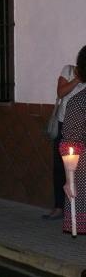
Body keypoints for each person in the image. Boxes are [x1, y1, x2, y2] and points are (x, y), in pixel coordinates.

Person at [43, 62, 85, 220]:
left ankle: (77, 210)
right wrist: (76, 80)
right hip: (63, 125)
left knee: (80, 170)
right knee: (60, 167)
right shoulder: (69, 70)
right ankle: (59, 207)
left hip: (81, 127)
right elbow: (60, 93)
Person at [60, 45, 86, 235]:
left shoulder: (78, 101)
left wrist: (70, 180)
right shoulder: (79, 101)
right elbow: (72, 143)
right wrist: (70, 180)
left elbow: (71, 141)